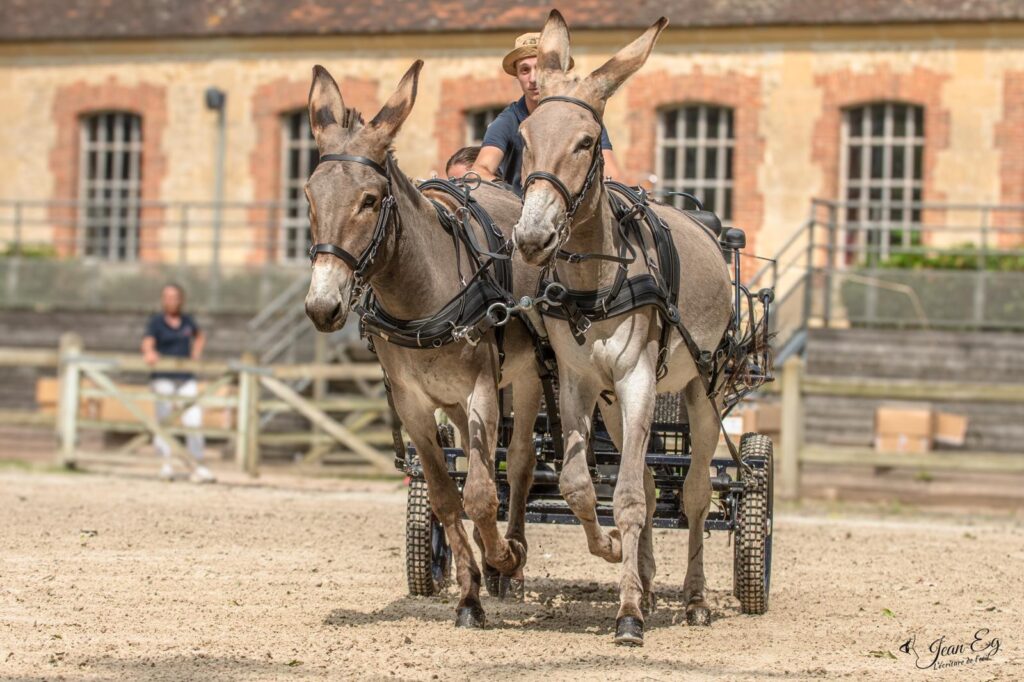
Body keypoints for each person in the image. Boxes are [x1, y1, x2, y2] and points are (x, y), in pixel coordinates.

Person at [473, 32, 622, 195]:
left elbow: (612, 177)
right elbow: (480, 170)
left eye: (541, 69)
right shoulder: (508, 120)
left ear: (559, 75)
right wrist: (513, 194)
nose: (533, 78)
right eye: (524, 70)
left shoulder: (584, 119)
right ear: (517, 76)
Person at [141, 283, 214, 483]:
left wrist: (196, 352)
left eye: (174, 296)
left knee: (194, 419)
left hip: (185, 378)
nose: (171, 300)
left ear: (181, 299)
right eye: (167, 296)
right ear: (163, 299)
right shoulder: (156, 322)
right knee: (164, 421)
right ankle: (166, 465)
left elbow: (199, 337)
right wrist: (149, 352)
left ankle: (196, 465)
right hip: (163, 377)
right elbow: (147, 342)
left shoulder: (187, 321)